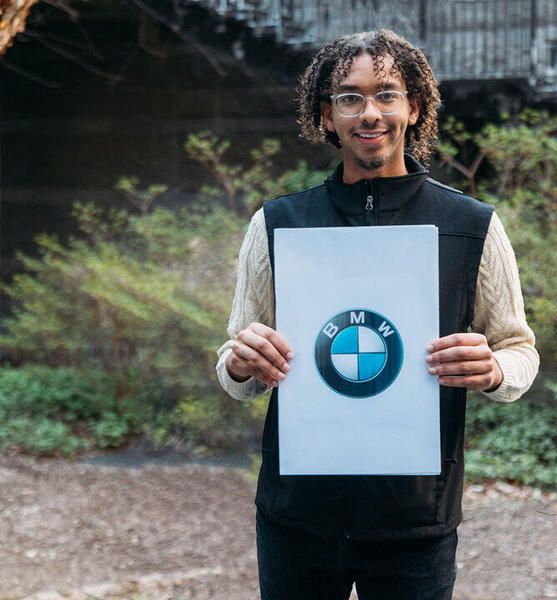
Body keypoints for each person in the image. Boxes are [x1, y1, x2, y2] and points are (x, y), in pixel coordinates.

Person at [215, 29, 539, 600]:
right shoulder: (278, 225)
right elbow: (235, 363)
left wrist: (492, 370)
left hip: (415, 519)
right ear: (327, 114)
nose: (370, 113)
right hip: (297, 518)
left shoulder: (471, 225)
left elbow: (519, 350)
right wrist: (242, 365)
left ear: (414, 107)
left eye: (386, 94)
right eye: (350, 97)